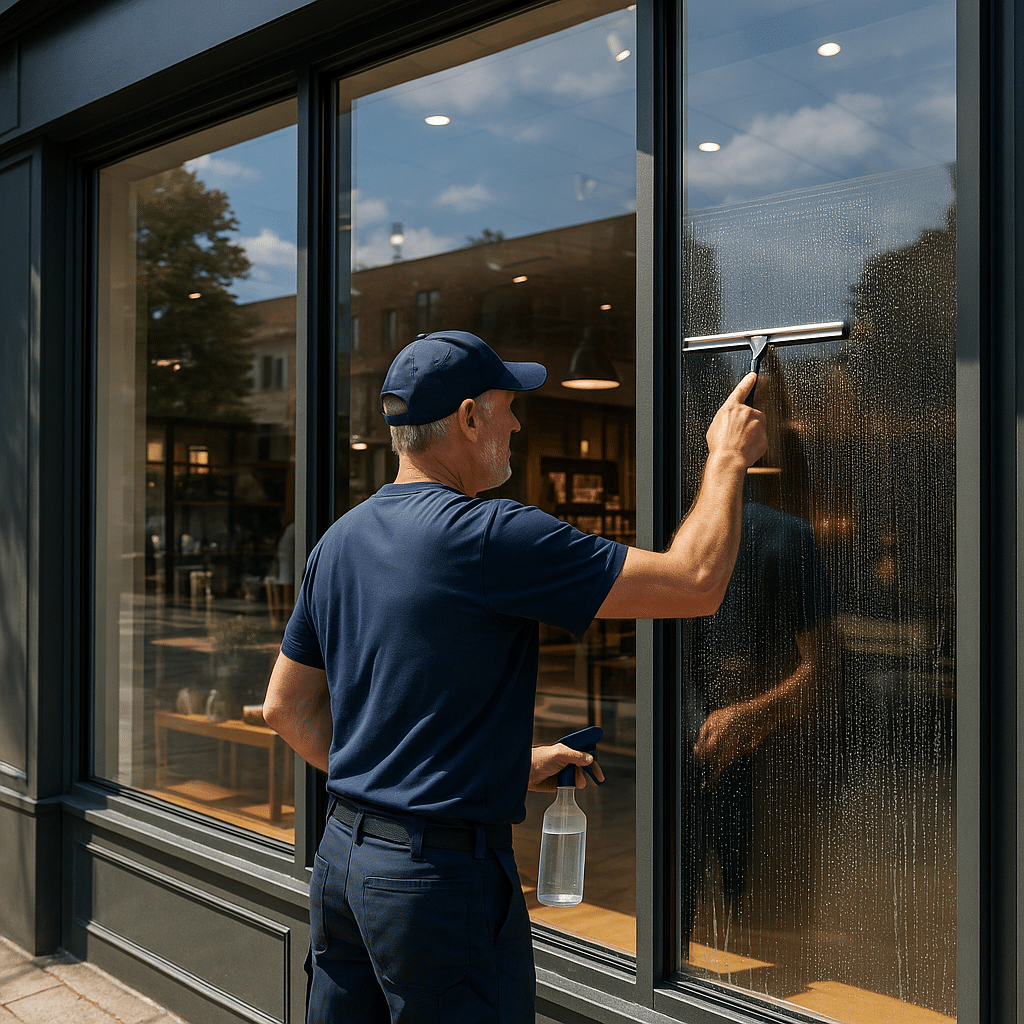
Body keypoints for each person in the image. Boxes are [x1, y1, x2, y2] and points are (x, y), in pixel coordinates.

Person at [263, 329, 767, 1023]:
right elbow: (695, 583)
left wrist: (473, 771)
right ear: (469, 418)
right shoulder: (491, 535)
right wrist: (727, 457)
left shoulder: (337, 540)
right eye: (508, 406)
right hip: (437, 884)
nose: (518, 424)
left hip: (343, 863)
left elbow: (285, 710)